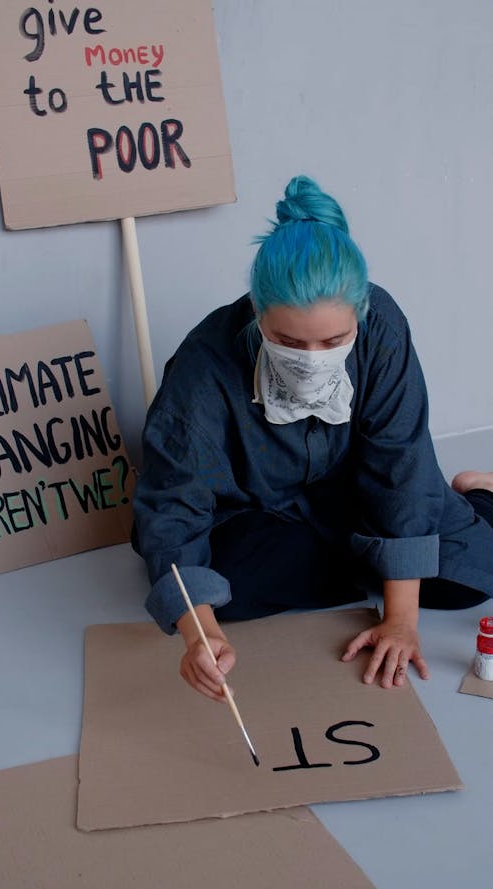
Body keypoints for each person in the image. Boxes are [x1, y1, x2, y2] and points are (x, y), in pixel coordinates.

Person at [133, 175, 493, 701]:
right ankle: (380, 555)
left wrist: (400, 621)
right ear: (256, 311)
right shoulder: (202, 366)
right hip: (266, 509)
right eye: (286, 340)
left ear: (361, 315)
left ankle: (478, 494)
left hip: (365, 491)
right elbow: (171, 506)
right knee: (221, 593)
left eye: (333, 340)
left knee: (469, 581)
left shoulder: (383, 326)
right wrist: (201, 633)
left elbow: (401, 465)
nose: (309, 357)